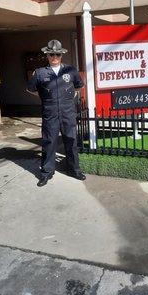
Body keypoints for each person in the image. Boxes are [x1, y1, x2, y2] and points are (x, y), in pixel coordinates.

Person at [26, 39, 86, 187]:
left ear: (61, 55)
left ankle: (74, 170)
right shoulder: (40, 73)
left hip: (68, 111)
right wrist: (46, 98)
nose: (54, 58)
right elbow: (30, 89)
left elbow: (79, 86)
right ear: (47, 55)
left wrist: (69, 97)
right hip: (50, 112)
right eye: (51, 54)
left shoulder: (70, 71)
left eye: (57, 55)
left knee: (71, 141)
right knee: (49, 142)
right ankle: (46, 173)